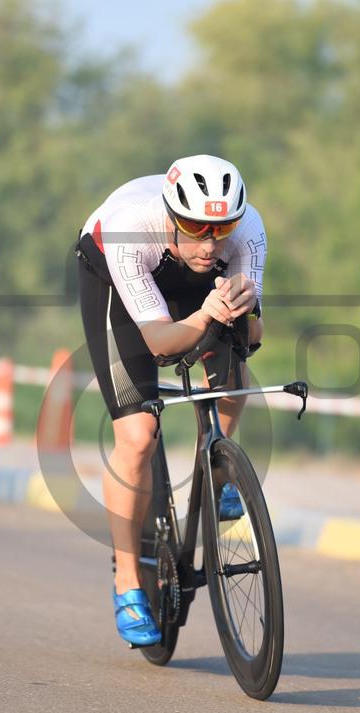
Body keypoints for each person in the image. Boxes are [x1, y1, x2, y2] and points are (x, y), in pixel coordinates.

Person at [76, 154, 266, 646]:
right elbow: (160, 344)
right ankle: (127, 583)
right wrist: (205, 316)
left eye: (222, 229)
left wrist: (243, 313)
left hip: (191, 285)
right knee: (138, 437)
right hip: (117, 274)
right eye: (195, 228)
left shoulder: (247, 231)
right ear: (170, 216)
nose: (210, 244)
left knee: (233, 366)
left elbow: (254, 335)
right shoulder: (130, 230)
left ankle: (218, 467)